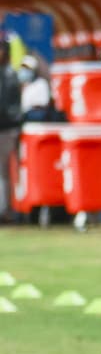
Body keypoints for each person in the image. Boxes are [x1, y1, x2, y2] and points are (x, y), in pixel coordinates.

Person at [0, 39, 20, 221]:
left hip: (6, 129)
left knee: (6, 171)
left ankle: (6, 211)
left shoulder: (9, 74)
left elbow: (9, 105)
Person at [18, 56, 54, 122]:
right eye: (23, 68)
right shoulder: (18, 84)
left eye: (27, 69)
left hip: (33, 119)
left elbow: (42, 105)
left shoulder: (41, 83)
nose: (24, 70)